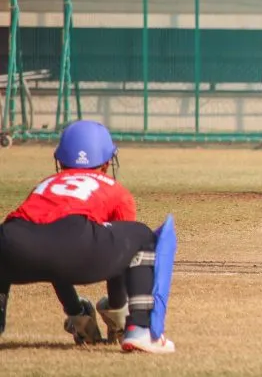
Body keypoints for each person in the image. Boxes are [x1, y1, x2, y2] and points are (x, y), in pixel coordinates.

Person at [0, 120, 176, 353]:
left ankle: (76, 317)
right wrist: (116, 306)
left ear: (61, 161)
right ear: (105, 163)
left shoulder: (45, 184)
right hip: (75, 245)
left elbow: (49, 247)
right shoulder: (114, 189)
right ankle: (140, 329)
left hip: (13, 240)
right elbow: (121, 259)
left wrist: (75, 311)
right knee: (140, 236)